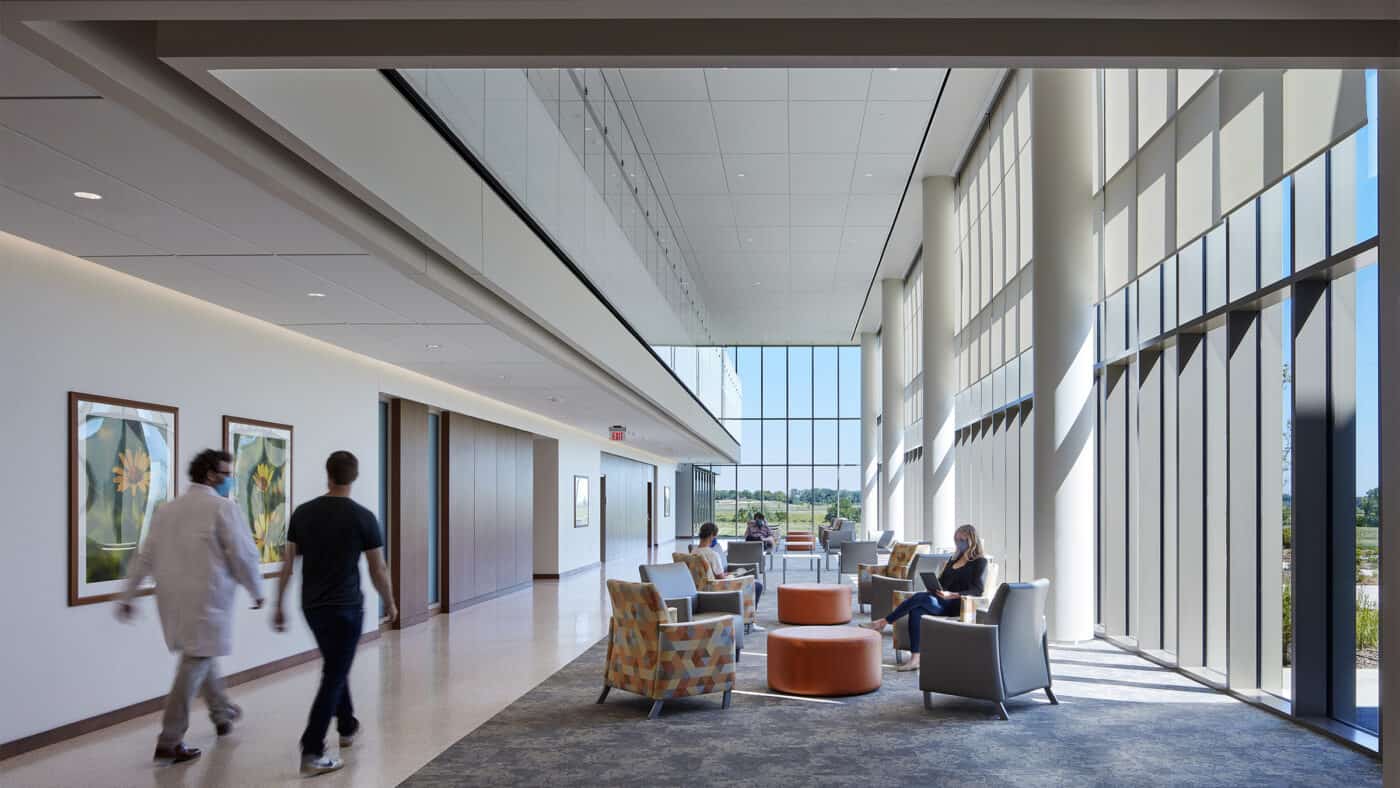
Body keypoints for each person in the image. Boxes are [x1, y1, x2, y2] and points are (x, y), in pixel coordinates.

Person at [117, 448, 264, 765]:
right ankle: (169, 740)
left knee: (200, 655)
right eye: (227, 475)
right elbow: (242, 554)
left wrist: (128, 595)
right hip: (207, 600)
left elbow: (145, 556)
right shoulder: (222, 508)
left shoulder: (167, 510)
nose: (230, 481)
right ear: (211, 475)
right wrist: (257, 590)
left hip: (174, 601)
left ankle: (221, 713)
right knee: (196, 661)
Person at [273, 450, 397, 777]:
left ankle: (347, 724)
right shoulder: (363, 517)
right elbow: (378, 568)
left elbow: (288, 564)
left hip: (312, 607)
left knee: (335, 666)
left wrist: (278, 603)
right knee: (334, 673)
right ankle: (312, 749)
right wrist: (391, 601)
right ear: (353, 478)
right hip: (346, 609)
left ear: (328, 474)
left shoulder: (302, 513)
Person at [861, 524, 987, 671]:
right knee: (916, 611)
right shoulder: (954, 559)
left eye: (962, 540)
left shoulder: (979, 562)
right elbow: (944, 584)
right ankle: (915, 659)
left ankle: (883, 622)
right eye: (956, 540)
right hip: (941, 601)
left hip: (957, 604)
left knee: (921, 597)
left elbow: (978, 589)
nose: (959, 543)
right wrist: (936, 585)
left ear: (971, 540)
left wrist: (953, 594)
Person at [694, 521, 763, 610]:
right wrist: (731, 575)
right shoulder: (712, 555)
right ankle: (749, 616)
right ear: (711, 535)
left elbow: (711, 573)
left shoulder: (693, 552)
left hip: (701, 589)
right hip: (719, 588)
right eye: (715, 536)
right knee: (757, 585)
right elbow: (721, 578)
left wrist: (725, 574)